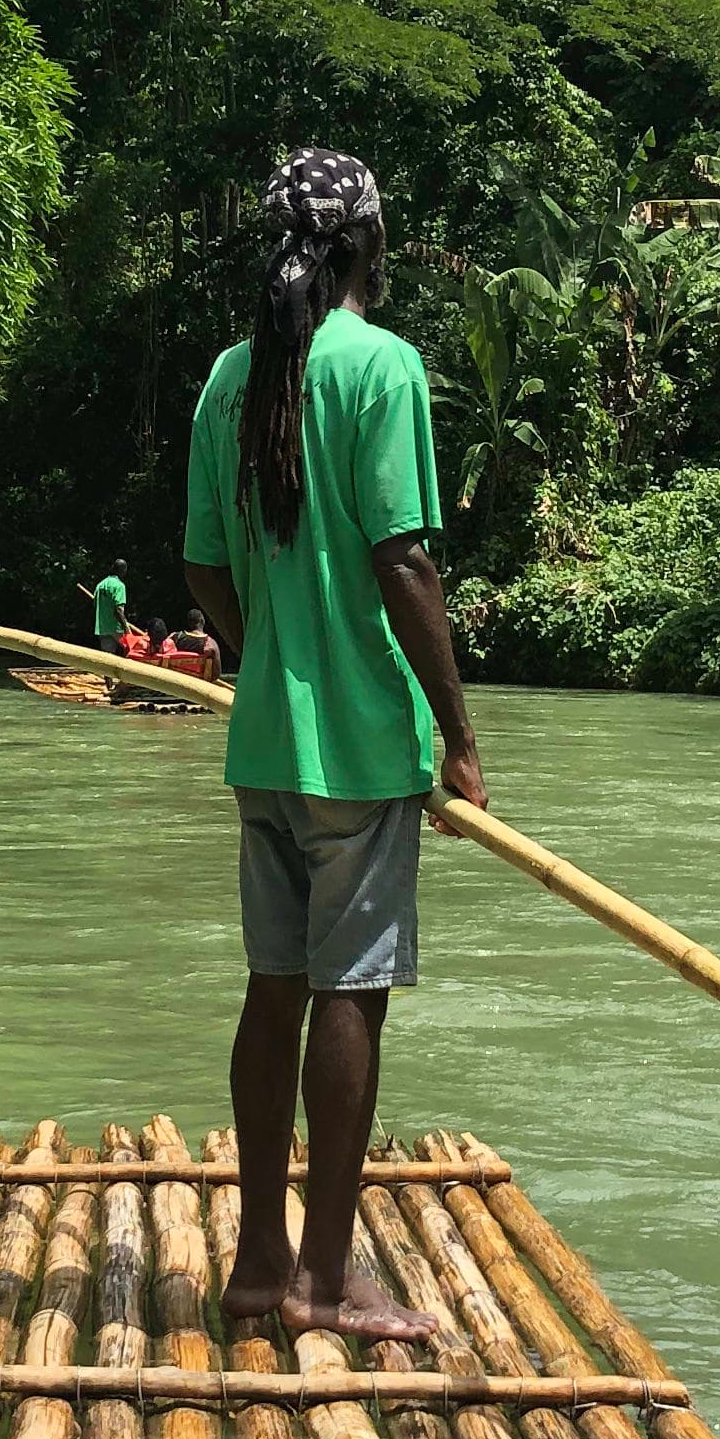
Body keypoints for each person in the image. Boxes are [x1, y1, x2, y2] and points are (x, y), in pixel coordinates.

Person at [182, 146, 483, 1344]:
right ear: (367, 242)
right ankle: (322, 1281)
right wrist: (457, 735)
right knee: (351, 990)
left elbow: (204, 563)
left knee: (273, 989)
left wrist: (266, 661)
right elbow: (403, 561)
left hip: (262, 745)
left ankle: (258, 1266)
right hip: (360, 750)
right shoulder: (382, 368)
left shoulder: (231, 377)